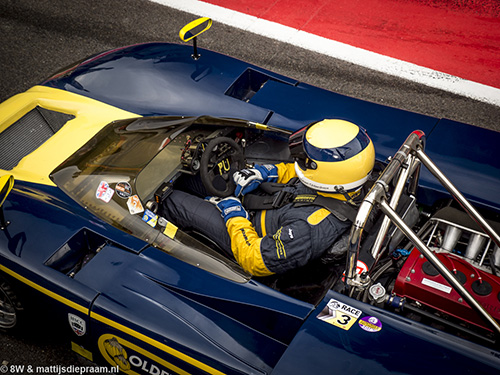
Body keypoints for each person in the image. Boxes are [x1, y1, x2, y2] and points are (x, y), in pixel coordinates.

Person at [162, 119, 375, 276]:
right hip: (271, 205)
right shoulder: (347, 180)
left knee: (173, 201)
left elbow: (253, 260)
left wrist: (234, 216)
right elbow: (303, 173)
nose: (300, 161)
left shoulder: (307, 231)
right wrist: (265, 172)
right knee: (198, 179)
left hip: (249, 232)